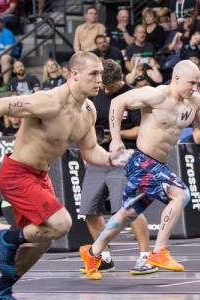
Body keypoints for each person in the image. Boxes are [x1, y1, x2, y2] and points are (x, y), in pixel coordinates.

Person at [0, 51, 132, 300]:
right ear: (73, 75)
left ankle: (1, 289)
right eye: (93, 74)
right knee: (61, 223)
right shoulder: (48, 101)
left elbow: (90, 149)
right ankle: (7, 237)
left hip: (41, 176)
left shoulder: (88, 110)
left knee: (43, 239)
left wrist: (112, 160)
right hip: (16, 173)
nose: (100, 79)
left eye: (100, 74)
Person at [79, 60, 200, 280]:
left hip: (159, 164)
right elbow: (118, 102)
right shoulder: (156, 95)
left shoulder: (195, 100)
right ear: (176, 79)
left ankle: (93, 252)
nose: (195, 87)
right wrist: (116, 138)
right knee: (181, 194)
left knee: (128, 212)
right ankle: (159, 251)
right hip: (141, 160)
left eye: (197, 82)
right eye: (191, 82)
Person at [79, 59, 157, 276]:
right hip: (98, 158)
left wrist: (114, 134)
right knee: (89, 210)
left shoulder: (134, 97)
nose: (104, 89)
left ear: (119, 79)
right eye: (102, 85)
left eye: (109, 86)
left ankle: (145, 257)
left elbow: (141, 130)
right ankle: (104, 258)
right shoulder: (96, 94)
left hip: (125, 158)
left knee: (128, 209)